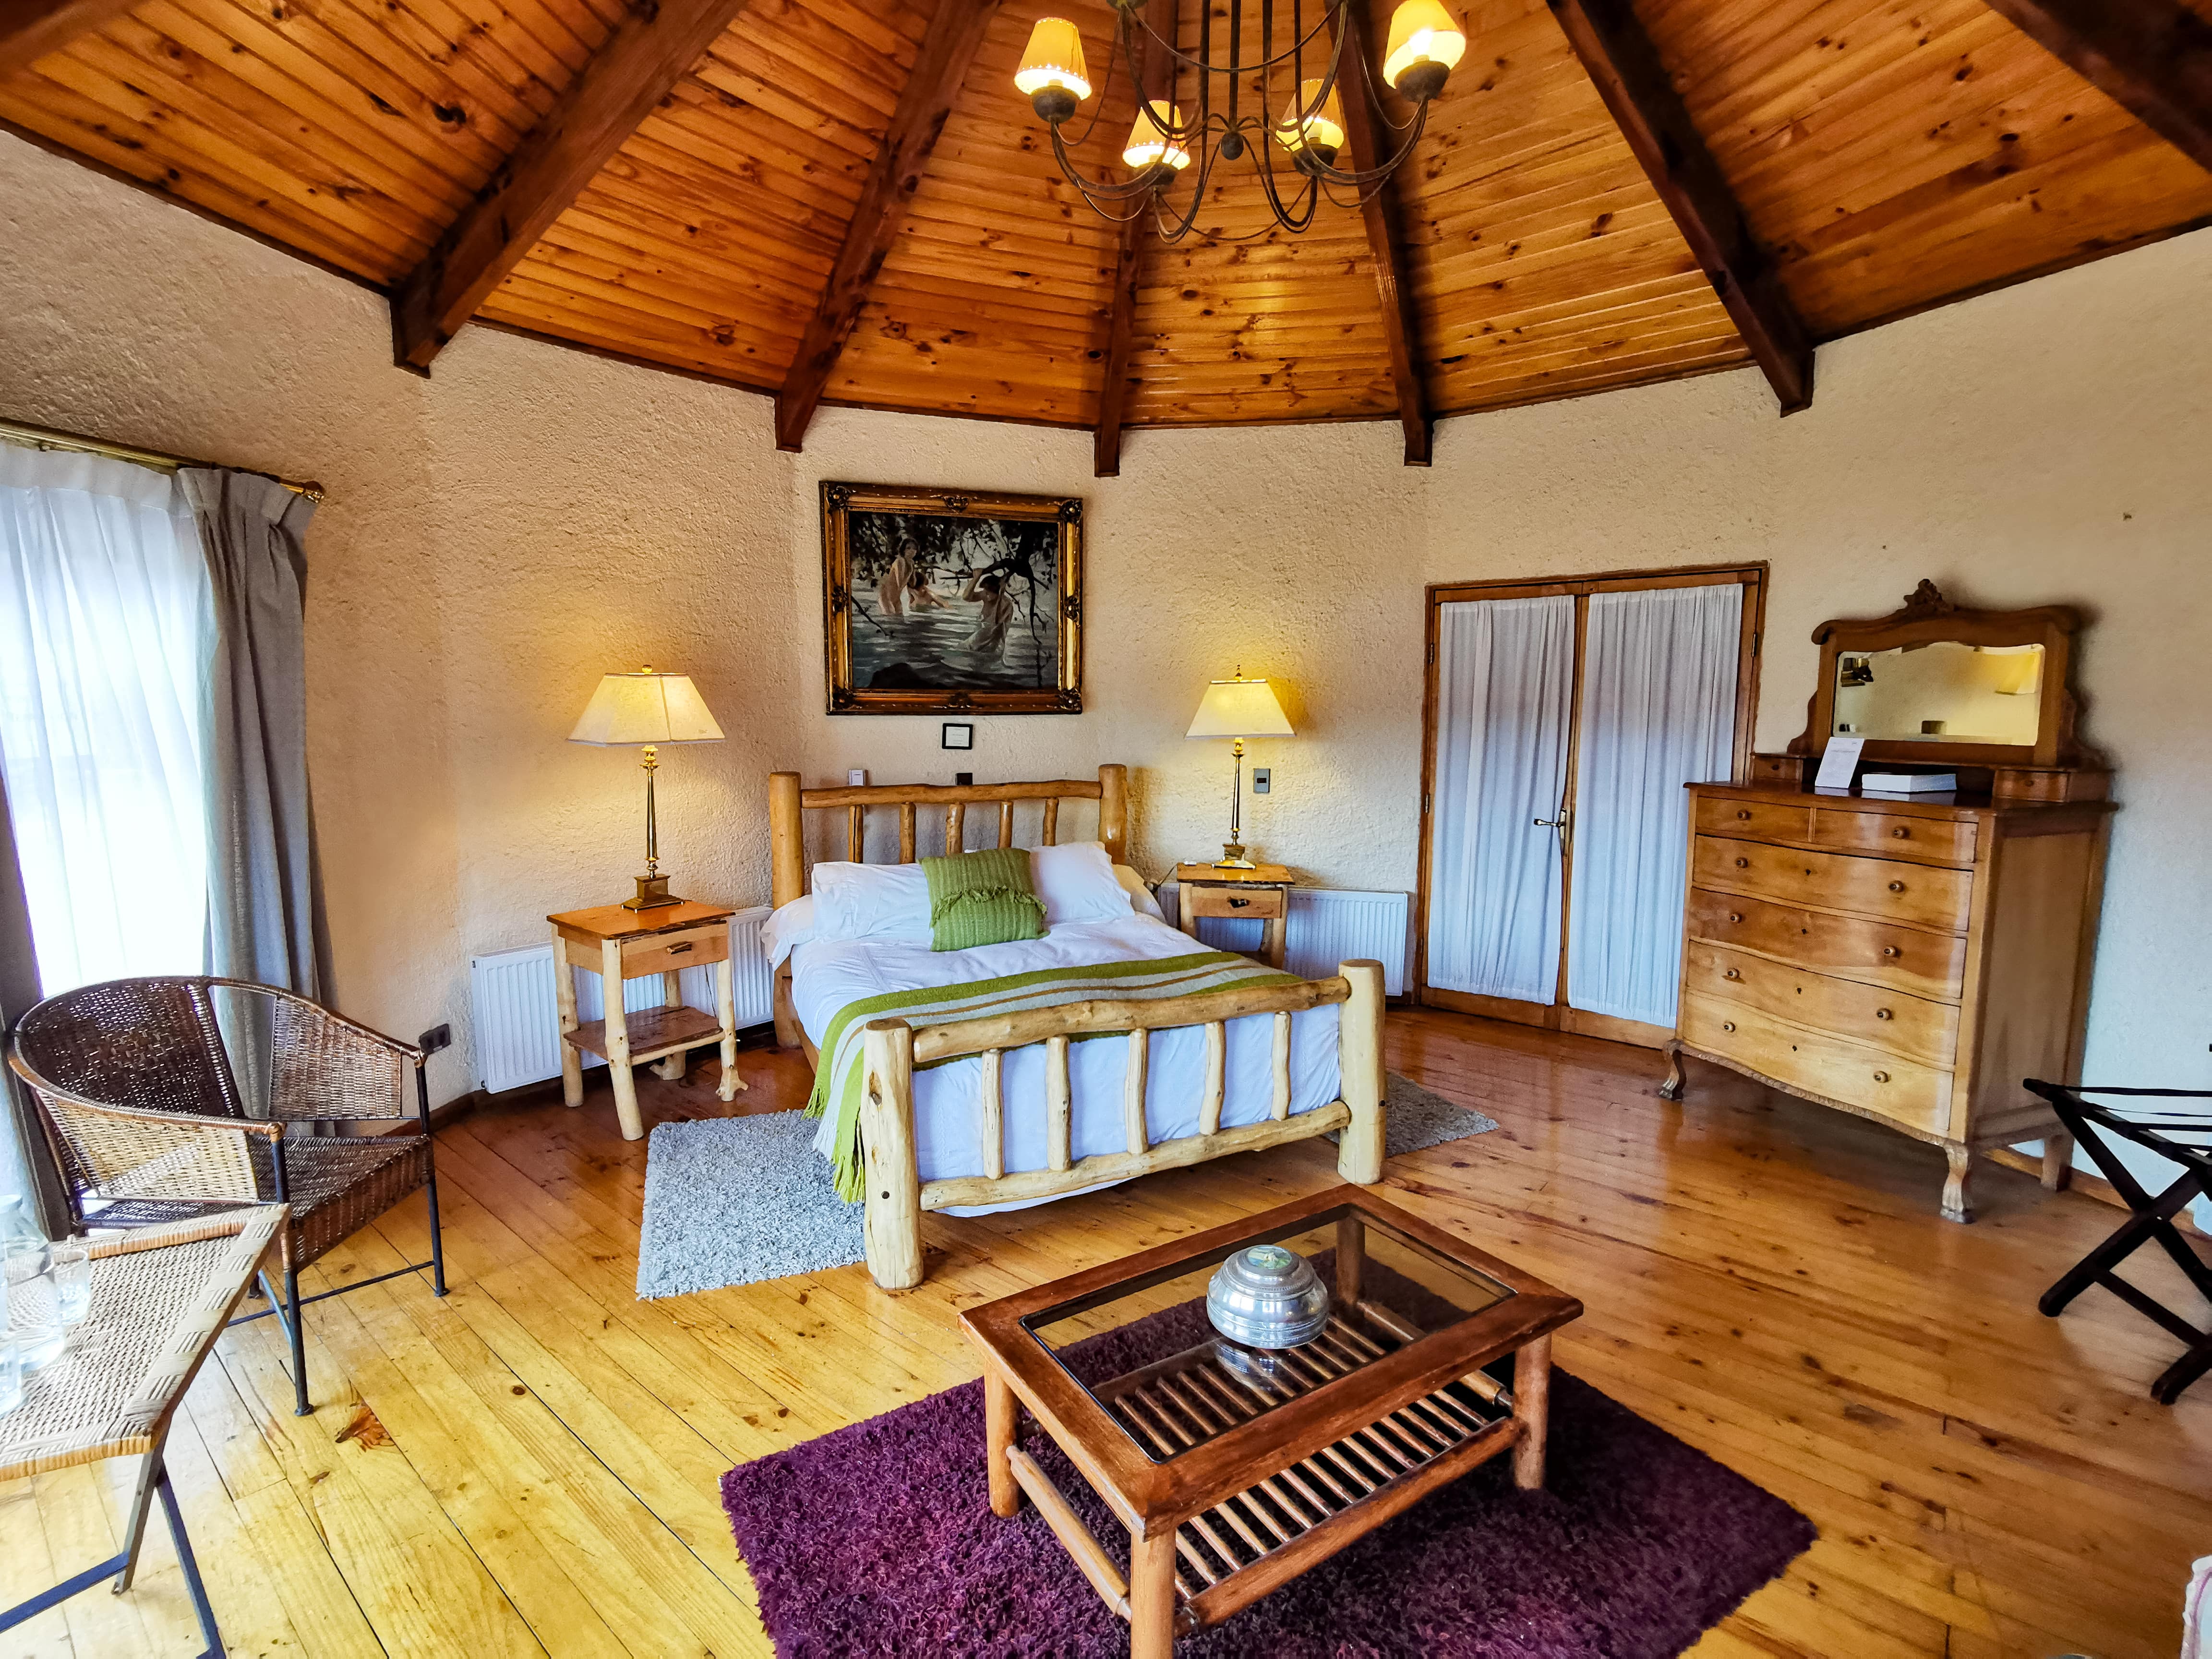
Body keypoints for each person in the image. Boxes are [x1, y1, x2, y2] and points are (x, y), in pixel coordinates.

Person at [961, 568, 1014, 659]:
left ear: (998, 591)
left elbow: (997, 622)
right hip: (983, 632)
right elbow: (966, 597)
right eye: (986, 590)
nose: (987, 594)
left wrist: (1001, 593)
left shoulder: (1006, 603)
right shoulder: (985, 594)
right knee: (964, 649)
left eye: (990, 591)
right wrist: (976, 579)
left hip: (993, 637)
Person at [877, 538, 916, 619]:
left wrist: (912, 569)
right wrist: (910, 571)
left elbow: (913, 584)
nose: (912, 551)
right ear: (903, 550)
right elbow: (900, 583)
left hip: (897, 599)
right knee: (891, 619)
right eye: (909, 548)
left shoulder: (911, 563)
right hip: (887, 597)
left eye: (914, 549)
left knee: (899, 622)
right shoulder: (900, 561)